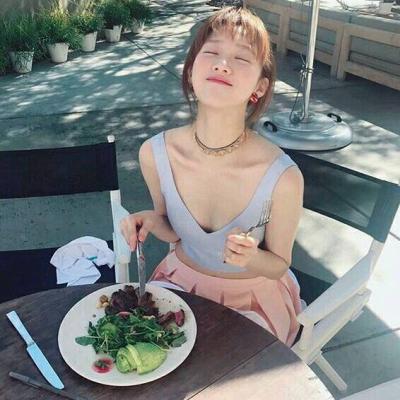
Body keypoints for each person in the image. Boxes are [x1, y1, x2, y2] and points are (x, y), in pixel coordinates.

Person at [121, 6, 304, 346]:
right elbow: (174, 233)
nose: (222, 64)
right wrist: (150, 220)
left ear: (260, 87)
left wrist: (252, 257)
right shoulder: (154, 154)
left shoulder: (283, 177)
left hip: (252, 302)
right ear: (191, 70)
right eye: (212, 52)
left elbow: (279, 265)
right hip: (178, 286)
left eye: (241, 58)